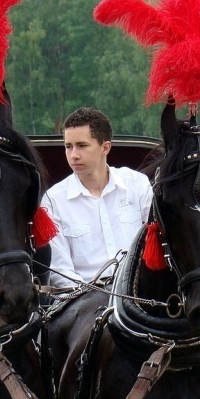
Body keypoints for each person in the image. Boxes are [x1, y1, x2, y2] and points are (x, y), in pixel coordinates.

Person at [42, 107, 153, 287]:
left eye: (82, 145)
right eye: (68, 147)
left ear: (105, 147)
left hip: (139, 294)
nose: (73, 155)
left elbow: (156, 244)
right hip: (82, 304)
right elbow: (60, 271)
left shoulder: (137, 185)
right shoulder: (54, 200)